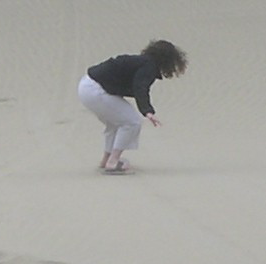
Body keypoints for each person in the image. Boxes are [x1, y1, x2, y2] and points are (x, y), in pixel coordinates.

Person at [78, 39, 187, 173]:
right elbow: (140, 88)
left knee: (115, 124)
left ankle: (106, 159)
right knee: (132, 122)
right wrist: (147, 111)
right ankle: (113, 162)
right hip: (96, 90)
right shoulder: (148, 66)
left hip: (86, 85)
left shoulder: (142, 62)